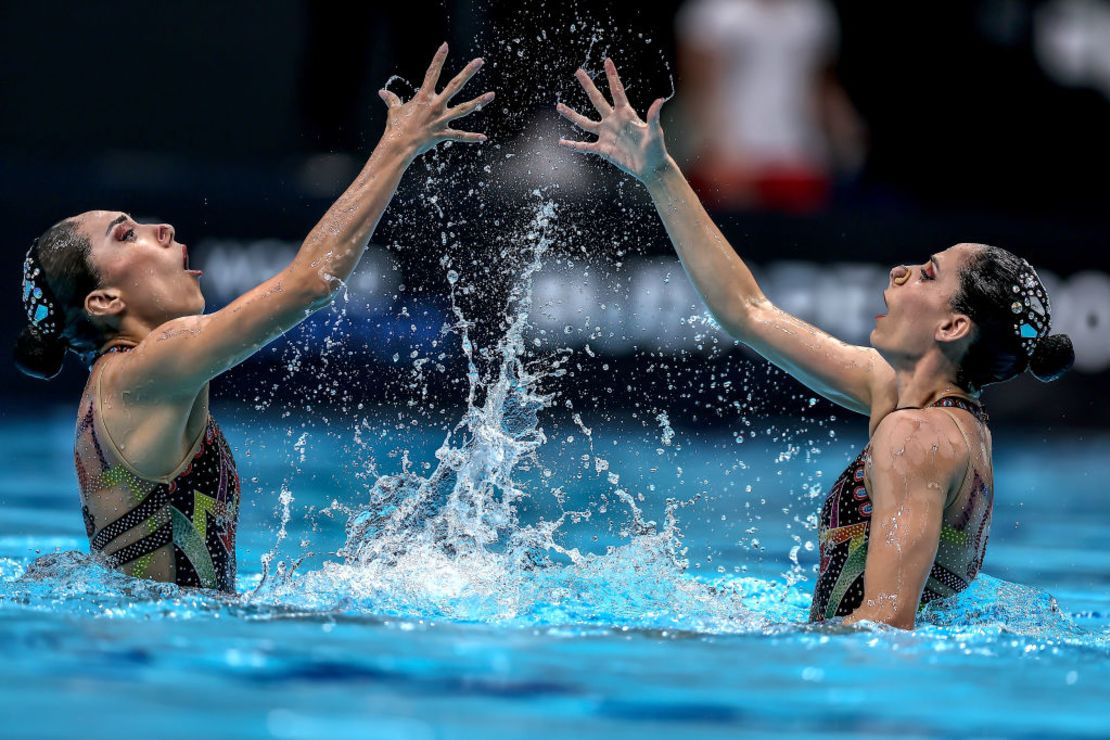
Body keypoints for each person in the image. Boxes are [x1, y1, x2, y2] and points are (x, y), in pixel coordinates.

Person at [556, 59, 1074, 629]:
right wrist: (660, 173)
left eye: (928, 273)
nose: (901, 272)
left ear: (953, 328)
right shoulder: (925, 410)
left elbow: (885, 626)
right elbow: (748, 312)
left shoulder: (914, 437)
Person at [15, 44, 493, 593]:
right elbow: (310, 284)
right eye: (128, 235)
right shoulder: (143, 370)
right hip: (170, 651)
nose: (161, 230)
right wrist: (397, 146)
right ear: (102, 302)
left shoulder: (123, 383)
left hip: (159, 644)